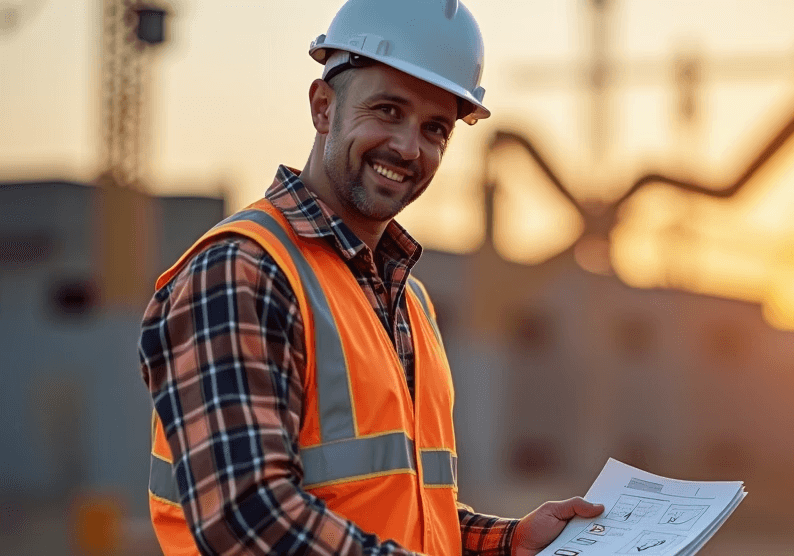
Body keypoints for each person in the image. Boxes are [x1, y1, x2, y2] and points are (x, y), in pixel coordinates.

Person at [139, 0, 603, 554]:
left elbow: (400, 509)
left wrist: (509, 542)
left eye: (435, 128)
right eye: (387, 110)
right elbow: (247, 516)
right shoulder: (243, 272)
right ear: (323, 108)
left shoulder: (407, 301)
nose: (408, 148)